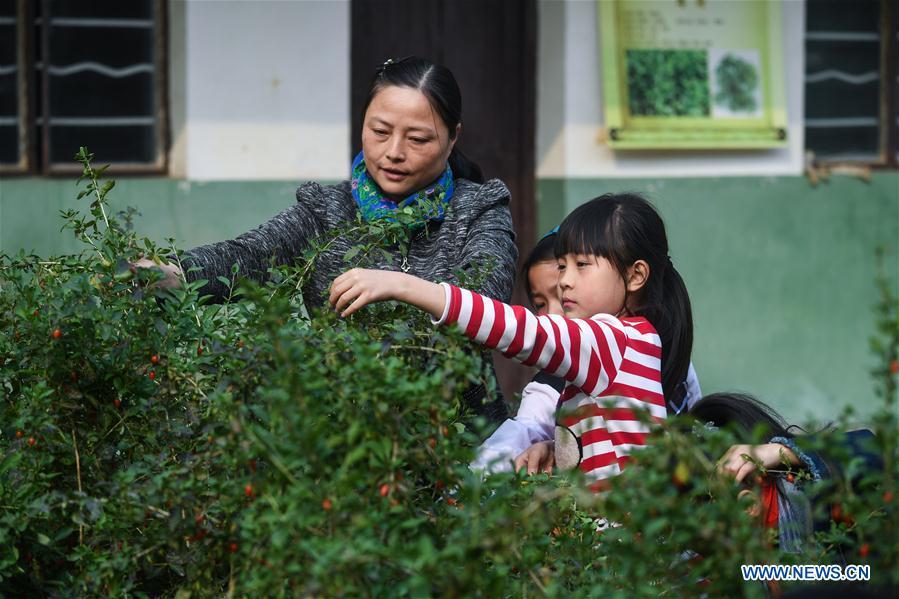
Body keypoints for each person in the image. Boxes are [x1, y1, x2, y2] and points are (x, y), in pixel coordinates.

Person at [135, 56, 518, 422]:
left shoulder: (479, 209)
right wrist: (174, 272)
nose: (394, 152)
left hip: (460, 442)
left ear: (453, 139)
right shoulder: (327, 209)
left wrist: (400, 286)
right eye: (380, 132)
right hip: (344, 440)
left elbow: (488, 300)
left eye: (418, 139)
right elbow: (251, 255)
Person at [329, 192, 694, 486]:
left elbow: (517, 329)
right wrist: (556, 448)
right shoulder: (626, 342)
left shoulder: (612, 340)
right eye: (563, 265)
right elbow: (615, 450)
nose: (565, 279)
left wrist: (402, 285)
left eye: (582, 265)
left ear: (636, 276)